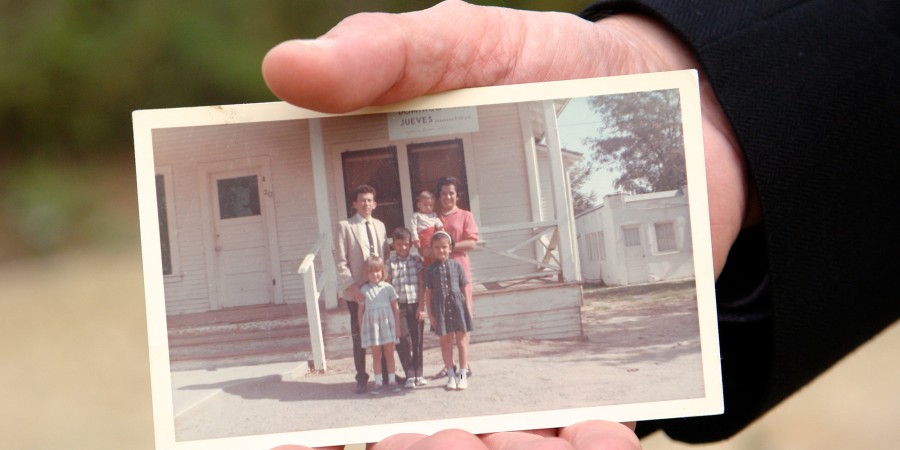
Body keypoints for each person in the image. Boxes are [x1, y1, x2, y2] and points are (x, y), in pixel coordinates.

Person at [263, 0, 898, 448]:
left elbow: (470, 241)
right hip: (387, 289)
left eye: (447, 189)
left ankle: (452, 372)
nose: (381, 208)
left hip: (453, 276)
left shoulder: (450, 218)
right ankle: (389, 379)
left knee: (455, 330)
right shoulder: (373, 229)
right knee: (392, 335)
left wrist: (701, 95)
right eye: (374, 204)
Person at [334, 184, 392, 395]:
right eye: (362, 200)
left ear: (374, 204)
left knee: (383, 332)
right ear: (354, 204)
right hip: (358, 290)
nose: (366, 203)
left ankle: (386, 374)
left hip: (379, 290)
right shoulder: (345, 226)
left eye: (369, 200)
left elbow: (385, 256)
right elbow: (340, 260)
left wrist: (386, 284)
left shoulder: (380, 225)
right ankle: (361, 377)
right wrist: (352, 287)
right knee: (360, 335)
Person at [423, 231, 474, 390]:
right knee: (445, 342)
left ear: (450, 248)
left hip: (458, 307)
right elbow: (428, 292)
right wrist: (430, 314)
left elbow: (464, 287)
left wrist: (468, 308)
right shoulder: (430, 270)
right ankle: (451, 375)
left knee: (461, 342)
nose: (441, 250)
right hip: (440, 309)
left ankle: (462, 375)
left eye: (444, 247)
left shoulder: (457, 266)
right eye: (437, 247)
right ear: (432, 249)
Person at [385, 227, 427, 387]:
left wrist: (421, 307)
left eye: (406, 244)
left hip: (415, 305)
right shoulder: (389, 263)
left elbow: (422, 284)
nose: (403, 247)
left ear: (411, 245)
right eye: (399, 244)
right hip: (398, 307)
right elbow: (388, 287)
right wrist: (391, 308)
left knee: (417, 340)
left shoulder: (416, 261)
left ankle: (419, 373)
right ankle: (409, 374)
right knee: (402, 339)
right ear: (394, 245)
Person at [359, 255, 403, 395]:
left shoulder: (388, 288)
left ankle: (392, 380)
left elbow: (396, 309)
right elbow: (360, 312)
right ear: (366, 274)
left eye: (377, 271)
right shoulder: (364, 290)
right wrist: (362, 330)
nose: (374, 274)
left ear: (382, 271)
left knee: (389, 353)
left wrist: (397, 327)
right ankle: (378, 382)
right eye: (371, 272)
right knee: (376, 355)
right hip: (373, 329)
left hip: (387, 326)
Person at [410, 190, 442, 266]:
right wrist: (416, 240)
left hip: (433, 236)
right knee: (427, 254)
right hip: (423, 237)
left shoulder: (433, 215)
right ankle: (428, 267)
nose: (428, 207)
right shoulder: (417, 216)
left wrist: (441, 227)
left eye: (431, 205)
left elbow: (437, 221)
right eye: (425, 205)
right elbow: (413, 228)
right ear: (419, 205)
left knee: (435, 253)